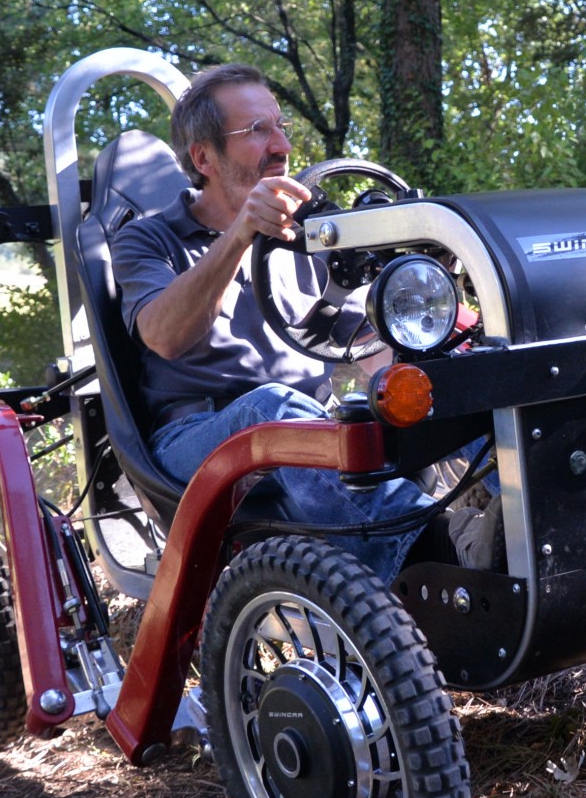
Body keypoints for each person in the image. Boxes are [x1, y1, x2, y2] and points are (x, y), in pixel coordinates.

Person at [110, 63, 497, 580]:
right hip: (195, 437)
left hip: (309, 422)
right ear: (204, 157)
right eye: (256, 131)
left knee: (442, 359)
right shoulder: (147, 240)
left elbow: (361, 339)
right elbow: (165, 336)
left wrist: (419, 365)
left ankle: (531, 506)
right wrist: (242, 234)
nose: (280, 146)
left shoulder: (303, 236)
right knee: (270, 409)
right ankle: (443, 549)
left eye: (280, 126)